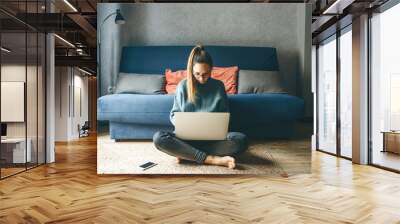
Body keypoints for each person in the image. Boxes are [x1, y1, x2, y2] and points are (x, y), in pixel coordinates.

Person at [153, 45, 248, 169]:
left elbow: (225, 115)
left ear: (211, 70)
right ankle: (211, 159)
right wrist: (183, 124)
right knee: (159, 138)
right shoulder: (183, 86)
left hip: (212, 140)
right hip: (186, 139)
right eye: (197, 74)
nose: (201, 78)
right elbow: (173, 114)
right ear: (191, 70)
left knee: (241, 140)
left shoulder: (218, 86)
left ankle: (187, 153)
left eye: (206, 74)